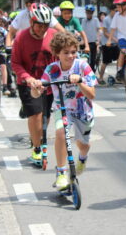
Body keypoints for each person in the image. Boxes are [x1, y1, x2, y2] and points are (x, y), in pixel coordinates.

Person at [31, 32, 97, 190]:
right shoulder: (52, 69)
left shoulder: (82, 66)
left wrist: (80, 81)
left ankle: (82, 157)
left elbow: (92, 94)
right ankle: (61, 173)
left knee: (83, 144)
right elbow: (37, 93)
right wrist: (36, 87)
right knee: (61, 133)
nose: (70, 56)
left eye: (73, 52)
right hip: (63, 109)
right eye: (66, 52)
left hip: (83, 109)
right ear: (57, 53)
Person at [11, 3, 57, 163]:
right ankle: (37, 148)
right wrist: (28, 78)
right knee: (36, 114)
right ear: (31, 22)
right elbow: (15, 63)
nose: (42, 29)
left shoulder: (53, 35)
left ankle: (38, 138)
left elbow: (58, 58)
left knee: (46, 115)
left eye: (45, 26)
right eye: (39, 26)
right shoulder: (21, 38)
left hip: (48, 83)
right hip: (28, 83)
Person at [97, 7, 119, 85]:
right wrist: (114, 39)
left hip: (116, 43)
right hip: (106, 44)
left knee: (120, 59)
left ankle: (118, 77)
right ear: (111, 10)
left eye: (117, 11)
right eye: (115, 10)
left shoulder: (118, 18)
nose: (117, 12)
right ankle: (100, 78)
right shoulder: (106, 19)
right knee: (105, 61)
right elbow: (105, 32)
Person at [81, 4, 101, 71]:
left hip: (93, 42)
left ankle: (92, 71)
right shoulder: (84, 20)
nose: (88, 14)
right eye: (87, 12)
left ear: (92, 13)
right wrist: (81, 40)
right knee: (84, 58)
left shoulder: (96, 20)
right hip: (85, 42)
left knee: (93, 59)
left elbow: (98, 30)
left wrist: (98, 40)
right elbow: (81, 31)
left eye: (90, 12)